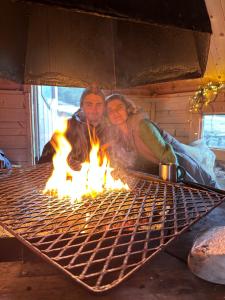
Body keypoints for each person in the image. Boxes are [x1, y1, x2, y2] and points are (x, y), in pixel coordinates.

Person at [105, 93, 218, 188]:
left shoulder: (142, 126)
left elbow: (167, 155)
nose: (114, 112)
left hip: (178, 165)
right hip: (159, 168)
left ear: (127, 109)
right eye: (110, 110)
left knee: (204, 194)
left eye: (119, 107)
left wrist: (173, 180)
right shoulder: (119, 133)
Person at [38, 85, 107, 165]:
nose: (94, 109)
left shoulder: (111, 130)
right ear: (82, 106)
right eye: (89, 104)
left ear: (104, 107)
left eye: (98, 104)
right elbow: (45, 160)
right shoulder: (67, 128)